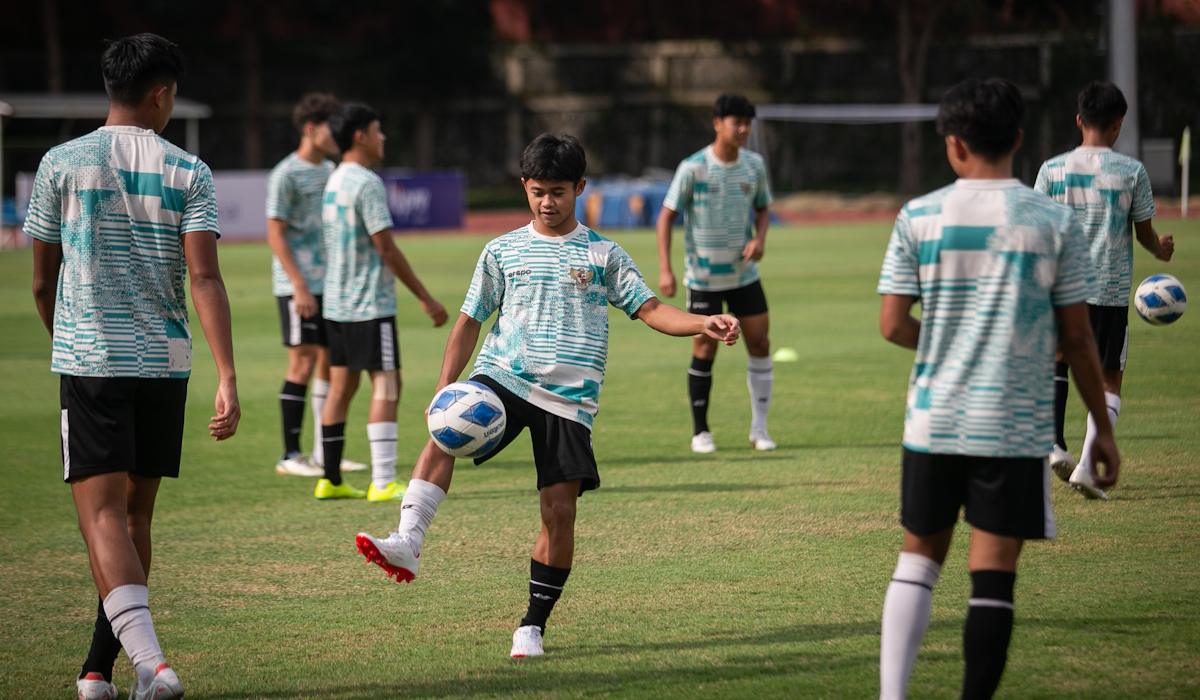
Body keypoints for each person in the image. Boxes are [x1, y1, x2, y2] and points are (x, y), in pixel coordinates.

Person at [355, 133, 742, 658]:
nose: (547, 202)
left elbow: (651, 309)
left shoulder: (604, 253)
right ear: (524, 187)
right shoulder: (502, 250)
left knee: (559, 513)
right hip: (504, 375)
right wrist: (448, 385)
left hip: (569, 398)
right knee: (445, 430)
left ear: (580, 188)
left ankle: (531, 626)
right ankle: (408, 541)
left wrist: (703, 320)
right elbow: (470, 321)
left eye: (559, 191)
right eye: (538, 191)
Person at [875, 78, 1119, 700]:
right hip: (1012, 427)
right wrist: (1104, 430)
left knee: (918, 561)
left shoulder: (918, 216)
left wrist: (948, 342)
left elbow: (893, 324)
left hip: (933, 421)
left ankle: (891, 696)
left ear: (952, 146)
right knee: (993, 578)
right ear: (1017, 139)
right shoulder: (1054, 222)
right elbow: (1080, 341)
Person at [25, 33, 240, 700]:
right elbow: (204, 278)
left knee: (101, 520)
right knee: (135, 519)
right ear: (162, 93)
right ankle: (98, 670)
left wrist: (69, 338)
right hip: (166, 365)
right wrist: (227, 375)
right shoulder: (189, 171)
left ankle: (154, 666)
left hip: (92, 360)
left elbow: (40, 279)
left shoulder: (61, 162)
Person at [1034, 81, 1174, 500]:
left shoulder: (1051, 169)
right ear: (1118, 125)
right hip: (1109, 290)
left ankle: (1055, 444)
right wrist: (1161, 252)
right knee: (1109, 378)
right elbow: (1145, 233)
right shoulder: (1131, 172)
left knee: (1059, 358)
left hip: (1062, 286)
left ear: (1079, 121)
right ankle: (1086, 467)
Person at [315, 102, 448, 501]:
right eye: (377, 129)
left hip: (336, 304)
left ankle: (330, 478)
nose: (383, 137)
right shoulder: (367, 182)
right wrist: (425, 298)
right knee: (388, 385)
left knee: (341, 387)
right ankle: (383, 480)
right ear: (360, 136)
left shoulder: (335, 179)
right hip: (369, 304)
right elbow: (386, 249)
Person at [656, 92, 775, 454]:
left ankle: (760, 428)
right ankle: (701, 431)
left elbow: (764, 209)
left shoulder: (754, 166)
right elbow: (665, 217)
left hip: (744, 276)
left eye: (747, 124)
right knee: (705, 348)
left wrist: (760, 239)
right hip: (703, 279)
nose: (742, 129)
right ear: (717, 124)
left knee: (760, 343)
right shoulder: (692, 167)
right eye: (736, 122)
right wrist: (666, 268)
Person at [266, 93, 368, 477]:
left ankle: (325, 453)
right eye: (331, 126)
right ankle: (290, 456)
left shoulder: (331, 170)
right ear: (311, 129)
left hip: (333, 286)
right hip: (300, 286)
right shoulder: (285, 175)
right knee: (303, 361)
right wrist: (299, 286)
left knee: (330, 362)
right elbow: (275, 235)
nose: (338, 134)